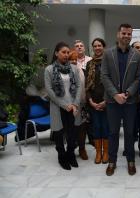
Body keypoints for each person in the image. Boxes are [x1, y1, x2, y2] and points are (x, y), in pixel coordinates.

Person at [101, 24, 140, 176]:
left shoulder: (137, 56)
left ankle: (131, 161)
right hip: (113, 102)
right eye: (124, 33)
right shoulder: (107, 53)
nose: (127, 36)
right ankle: (112, 162)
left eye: (129, 34)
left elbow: (139, 78)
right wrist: (115, 95)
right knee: (112, 133)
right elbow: (104, 76)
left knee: (130, 133)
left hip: (130, 102)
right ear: (118, 34)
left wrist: (127, 93)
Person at [44, 42, 82, 170]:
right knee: (59, 133)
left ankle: (71, 154)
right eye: (63, 52)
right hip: (58, 106)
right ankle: (61, 156)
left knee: (72, 133)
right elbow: (49, 90)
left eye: (67, 52)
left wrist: (75, 104)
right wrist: (64, 105)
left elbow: (79, 87)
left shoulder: (74, 68)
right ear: (56, 53)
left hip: (73, 107)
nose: (66, 55)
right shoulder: (49, 69)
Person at [85, 38, 110, 164]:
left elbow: (113, 84)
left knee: (105, 127)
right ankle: (98, 152)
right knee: (96, 127)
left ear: (104, 47)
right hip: (93, 103)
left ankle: (106, 152)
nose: (97, 48)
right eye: (95, 46)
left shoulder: (109, 62)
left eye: (99, 45)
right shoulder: (90, 64)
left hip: (107, 102)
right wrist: (90, 101)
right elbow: (86, 86)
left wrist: (105, 101)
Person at [68, 49, 88, 160]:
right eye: (71, 59)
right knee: (71, 129)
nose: (74, 62)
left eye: (75, 60)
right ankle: (71, 150)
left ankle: (82, 148)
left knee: (82, 128)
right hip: (69, 106)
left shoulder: (82, 71)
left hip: (81, 105)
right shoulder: (64, 73)